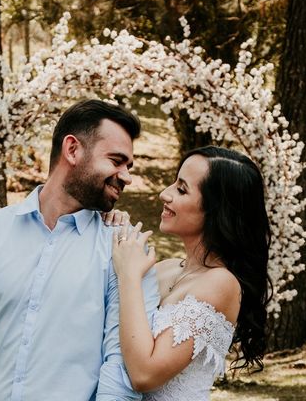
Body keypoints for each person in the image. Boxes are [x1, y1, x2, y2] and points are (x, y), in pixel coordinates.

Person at [0, 99, 160, 400]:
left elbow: (120, 370)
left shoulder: (125, 250)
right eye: (116, 161)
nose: (127, 176)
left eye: (128, 166)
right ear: (73, 149)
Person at [110, 146, 271, 400]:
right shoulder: (165, 268)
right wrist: (113, 229)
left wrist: (129, 276)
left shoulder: (222, 283)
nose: (165, 194)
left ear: (218, 211)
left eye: (181, 189)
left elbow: (144, 375)